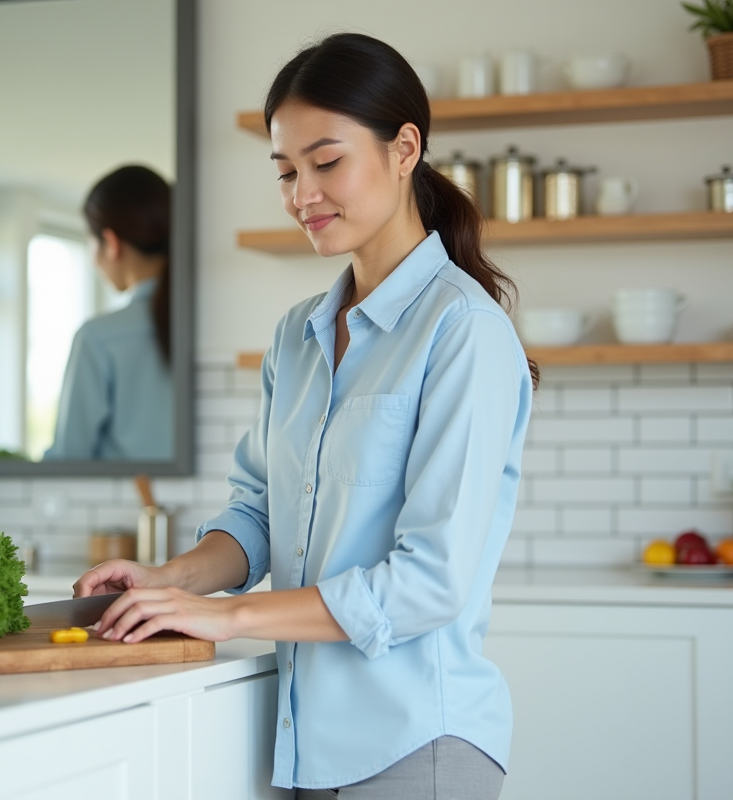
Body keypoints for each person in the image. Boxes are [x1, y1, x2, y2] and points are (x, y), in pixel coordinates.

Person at [72, 33, 538, 799]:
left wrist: (231, 618)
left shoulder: (463, 330)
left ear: (403, 149)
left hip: (416, 744)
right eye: (287, 171)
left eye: (326, 163)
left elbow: (429, 584)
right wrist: (171, 579)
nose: (301, 194)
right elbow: (257, 514)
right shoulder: (298, 334)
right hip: (298, 740)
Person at [45, 165, 174, 461]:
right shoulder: (204, 326)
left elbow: (69, 458)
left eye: (90, 241)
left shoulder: (98, 338)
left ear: (112, 243)